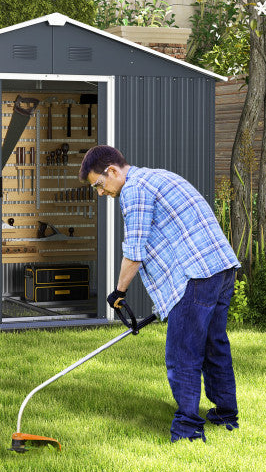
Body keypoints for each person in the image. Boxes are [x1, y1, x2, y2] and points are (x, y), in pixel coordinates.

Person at [79, 145, 241, 443]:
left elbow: (135, 250)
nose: (101, 193)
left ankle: (188, 429)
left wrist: (118, 292)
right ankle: (226, 415)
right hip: (221, 268)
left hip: (196, 274)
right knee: (214, 344)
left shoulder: (134, 190)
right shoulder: (158, 177)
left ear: (112, 171)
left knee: (183, 353)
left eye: (99, 186)